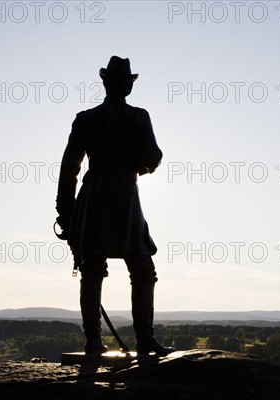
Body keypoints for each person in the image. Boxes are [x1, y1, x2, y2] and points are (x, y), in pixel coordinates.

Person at [55, 56, 174, 355]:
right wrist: (138, 167)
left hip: (92, 197)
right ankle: (144, 338)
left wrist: (65, 212)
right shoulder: (138, 117)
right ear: (125, 86)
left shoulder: (85, 119)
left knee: (92, 268)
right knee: (142, 268)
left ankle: (93, 341)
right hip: (123, 194)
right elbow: (153, 157)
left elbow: (69, 169)